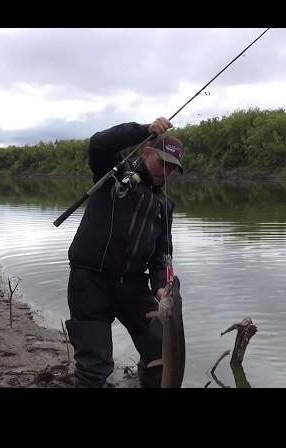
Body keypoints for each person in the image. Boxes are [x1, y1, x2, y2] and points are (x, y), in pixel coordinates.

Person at [65, 116, 183, 388]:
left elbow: (163, 255)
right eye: (162, 162)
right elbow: (98, 143)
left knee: (163, 350)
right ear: (146, 151)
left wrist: (163, 285)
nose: (166, 172)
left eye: (173, 168)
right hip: (90, 282)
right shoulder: (114, 174)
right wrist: (143, 130)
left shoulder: (165, 205)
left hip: (132, 286)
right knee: (95, 365)